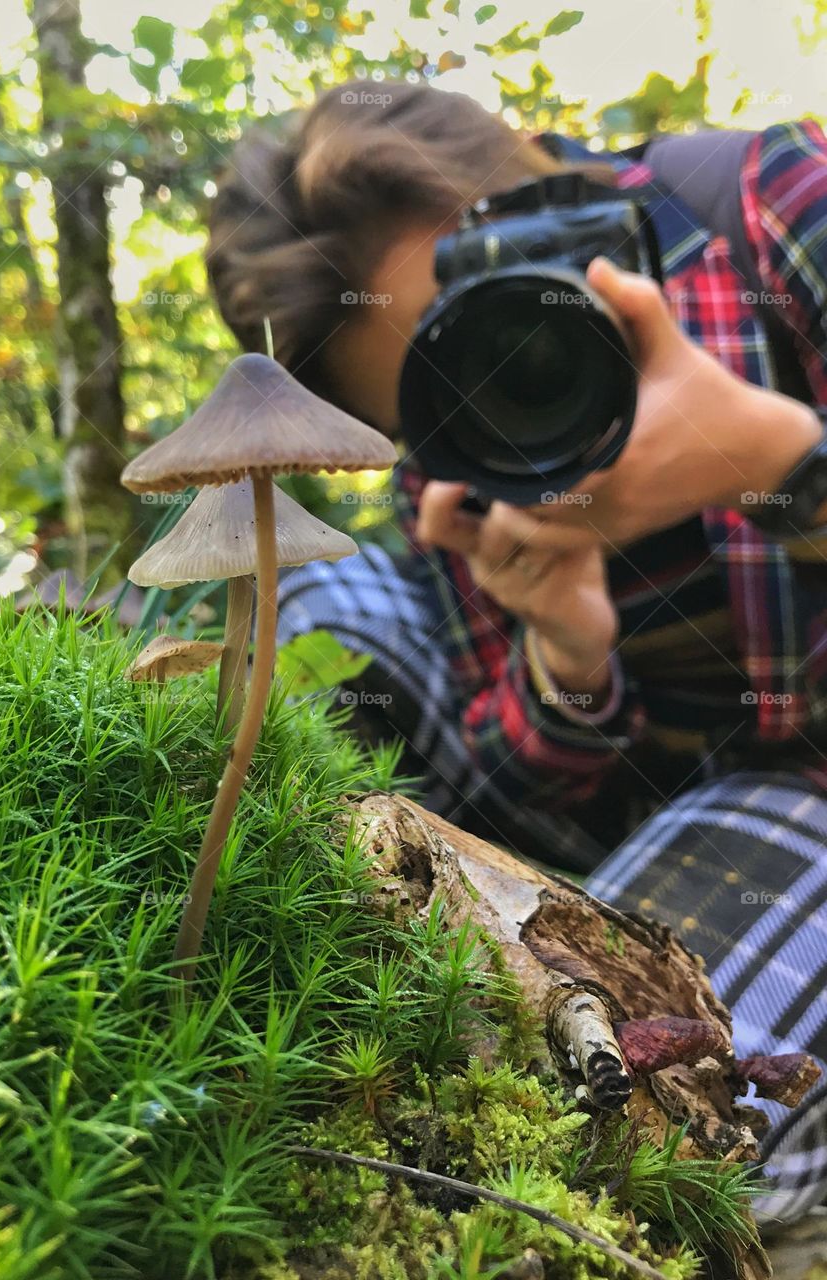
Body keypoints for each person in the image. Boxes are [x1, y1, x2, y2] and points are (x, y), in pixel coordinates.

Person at [206, 79, 827, 1221]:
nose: (504, 399)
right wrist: (567, 658)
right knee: (570, 1141)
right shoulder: (462, 481)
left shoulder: (777, 208)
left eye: (514, 316)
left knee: (692, 1158)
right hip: (712, 817)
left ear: (558, 190)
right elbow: (521, 815)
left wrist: (785, 462)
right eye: (441, 395)